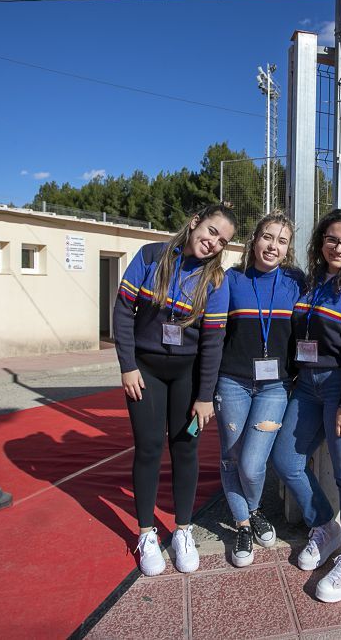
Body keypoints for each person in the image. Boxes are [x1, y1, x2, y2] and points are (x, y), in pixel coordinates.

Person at [113, 203, 237, 577]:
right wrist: (128, 366)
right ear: (195, 221)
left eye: (224, 241)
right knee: (149, 449)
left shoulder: (217, 280)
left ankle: (183, 531)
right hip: (145, 372)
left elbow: (213, 341)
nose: (214, 243)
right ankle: (147, 533)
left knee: (186, 449)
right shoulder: (152, 256)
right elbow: (122, 311)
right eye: (212, 231)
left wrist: (205, 395)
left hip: (188, 376)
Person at [271, 208, 341, 603]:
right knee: (286, 460)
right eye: (332, 239)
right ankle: (325, 524)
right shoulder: (313, 281)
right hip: (308, 386)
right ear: (321, 241)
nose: (339, 247)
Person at [214, 211, 305, 567]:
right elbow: (214, 335)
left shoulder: (296, 281)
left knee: (252, 464)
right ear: (254, 239)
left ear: (288, 249)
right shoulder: (230, 280)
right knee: (231, 456)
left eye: (282, 241)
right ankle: (242, 523)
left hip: (275, 386)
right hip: (232, 382)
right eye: (268, 237)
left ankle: (252, 509)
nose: (273, 246)